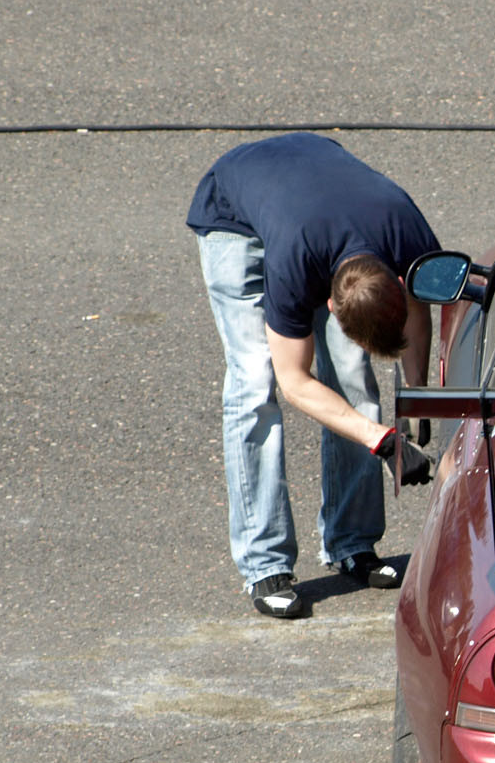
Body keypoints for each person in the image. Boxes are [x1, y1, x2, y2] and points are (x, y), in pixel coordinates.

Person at [187, 133, 439, 619]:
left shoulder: (408, 235)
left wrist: (415, 413)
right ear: (328, 304)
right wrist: (385, 443)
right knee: (254, 383)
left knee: (350, 372)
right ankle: (264, 564)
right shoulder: (294, 267)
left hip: (313, 192)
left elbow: (418, 312)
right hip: (233, 213)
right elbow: (294, 380)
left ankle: (352, 543)